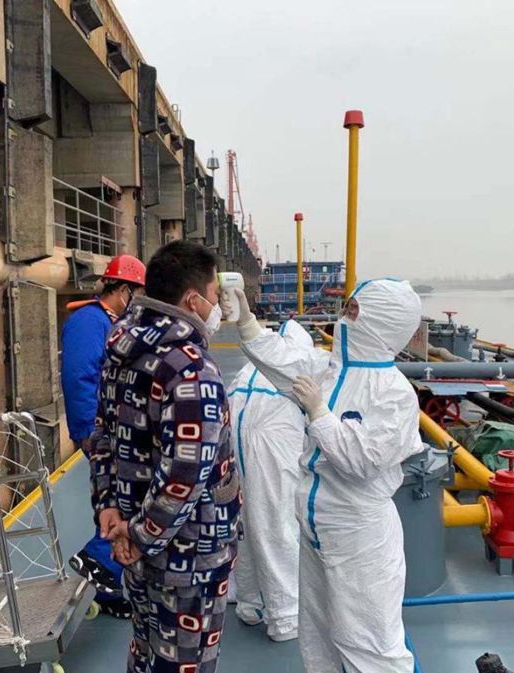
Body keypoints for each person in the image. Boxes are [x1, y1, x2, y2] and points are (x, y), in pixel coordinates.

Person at [225, 279, 423, 673]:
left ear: (382, 322)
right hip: (317, 525)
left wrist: (319, 414)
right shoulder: (331, 369)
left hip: (358, 533)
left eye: (355, 310)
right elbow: (281, 363)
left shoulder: (395, 393)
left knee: (368, 643)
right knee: (319, 635)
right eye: (348, 307)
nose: (345, 316)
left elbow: (362, 461)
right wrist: (246, 321)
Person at [92, 240, 241, 673]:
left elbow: (103, 435)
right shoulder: (191, 369)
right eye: (214, 295)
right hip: (188, 557)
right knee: (184, 660)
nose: (216, 305)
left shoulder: (123, 350)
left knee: (147, 648)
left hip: (132, 539)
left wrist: (108, 506)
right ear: (192, 300)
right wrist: (139, 537)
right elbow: (185, 476)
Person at [62, 253, 145, 619]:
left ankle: (108, 582)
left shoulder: (112, 321)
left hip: (116, 429)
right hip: (99, 431)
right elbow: (79, 376)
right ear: (124, 290)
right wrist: (85, 432)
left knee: (119, 498)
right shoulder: (88, 322)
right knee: (126, 500)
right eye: (138, 294)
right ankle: (98, 559)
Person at [228, 318, 314, 642]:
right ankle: (285, 616)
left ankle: (250, 604)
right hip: (272, 445)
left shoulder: (249, 369)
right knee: (276, 527)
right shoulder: (295, 372)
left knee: (245, 527)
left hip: (237, 441)